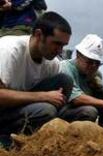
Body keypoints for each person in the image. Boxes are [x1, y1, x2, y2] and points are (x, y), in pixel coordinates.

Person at [0, 11, 73, 148]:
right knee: (45, 110)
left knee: (65, 81)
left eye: (63, 46)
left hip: (19, 110)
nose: (60, 50)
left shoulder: (53, 63)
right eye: (56, 44)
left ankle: (35, 137)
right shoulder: (8, 50)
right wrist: (42, 96)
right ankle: (6, 140)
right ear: (39, 35)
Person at [60, 34, 103, 130]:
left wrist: (98, 89)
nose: (93, 66)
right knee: (90, 111)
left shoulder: (96, 74)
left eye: (97, 63)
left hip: (83, 106)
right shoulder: (65, 68)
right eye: (89, 62)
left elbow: (101, 98)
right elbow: (76, 98)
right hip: (65, 108)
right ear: (78, 55)